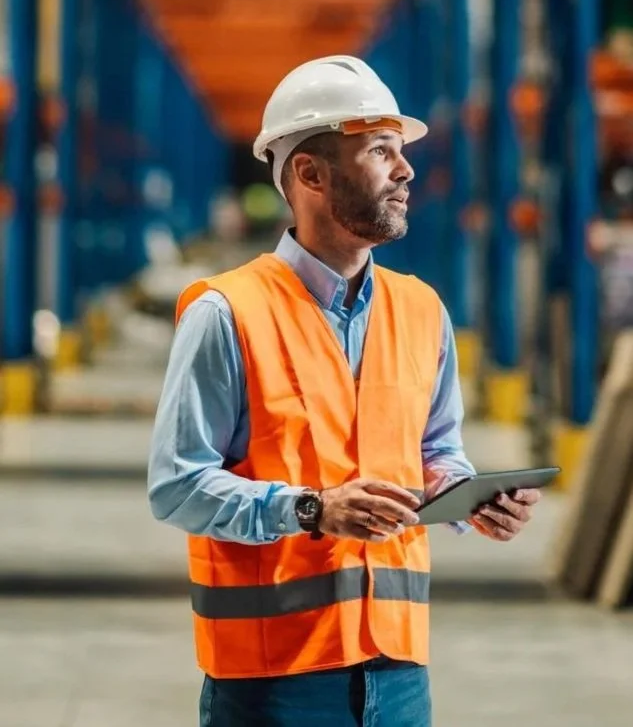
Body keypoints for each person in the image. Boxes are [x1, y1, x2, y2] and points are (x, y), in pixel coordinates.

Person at [148, 55, 541, 726]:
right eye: (381, 151)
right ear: (309, 173)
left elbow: (435, 451)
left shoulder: (422, 311)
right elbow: (176, 485)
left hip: (398, 672)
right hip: (273, 681)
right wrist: (311, 510)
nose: (405, 171)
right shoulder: (227, 313)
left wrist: (468, 500)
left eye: (401, 151)